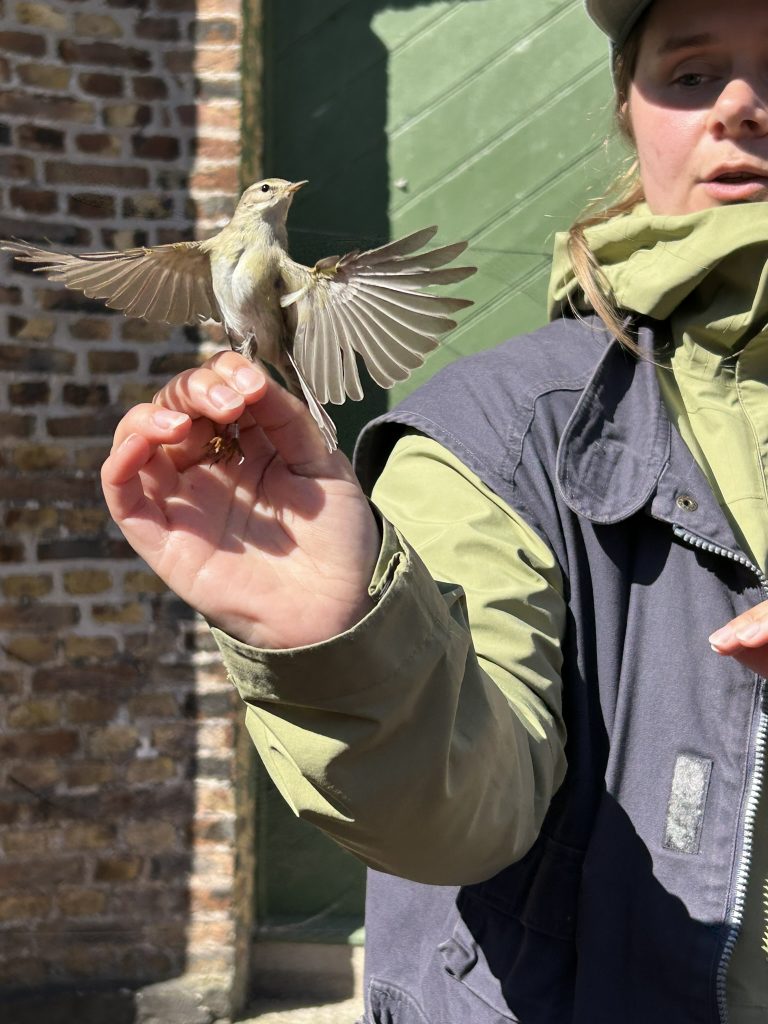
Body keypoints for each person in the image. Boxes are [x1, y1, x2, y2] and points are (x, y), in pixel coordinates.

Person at [102, 0, 768, 1019]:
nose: (738, 106)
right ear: (628, 116)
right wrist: (349, 645)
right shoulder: (500, 437)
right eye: (687, 74)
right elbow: (466, 805)